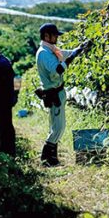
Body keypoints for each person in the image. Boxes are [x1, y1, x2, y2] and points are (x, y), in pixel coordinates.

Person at [36, 23, 92, 166]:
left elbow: (65, 54)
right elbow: (58, 70)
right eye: (55, 35)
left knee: (57, 126)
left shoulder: (51, 50)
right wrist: (70, 59)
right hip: (54, 94)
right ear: (46, 36)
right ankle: (47, 159)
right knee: (58, 127)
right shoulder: (44, 53)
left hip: (57, 92)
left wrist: (79, 49)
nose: (57, 38)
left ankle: (51, 158)